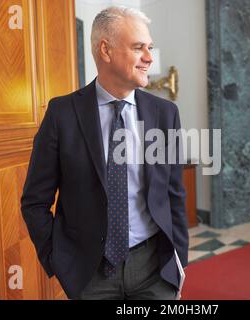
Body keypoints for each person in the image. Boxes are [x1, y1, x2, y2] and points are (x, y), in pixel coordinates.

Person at [21, 6, 188, 300]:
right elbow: (35, 201)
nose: (149, 57)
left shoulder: (165, 114)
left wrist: (179, 258)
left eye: (150, 47)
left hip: (154, 270)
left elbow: (174, 192)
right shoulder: (62, 114)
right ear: (105, 50)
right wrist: (56, 258)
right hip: (90, 275)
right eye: (139, 47)